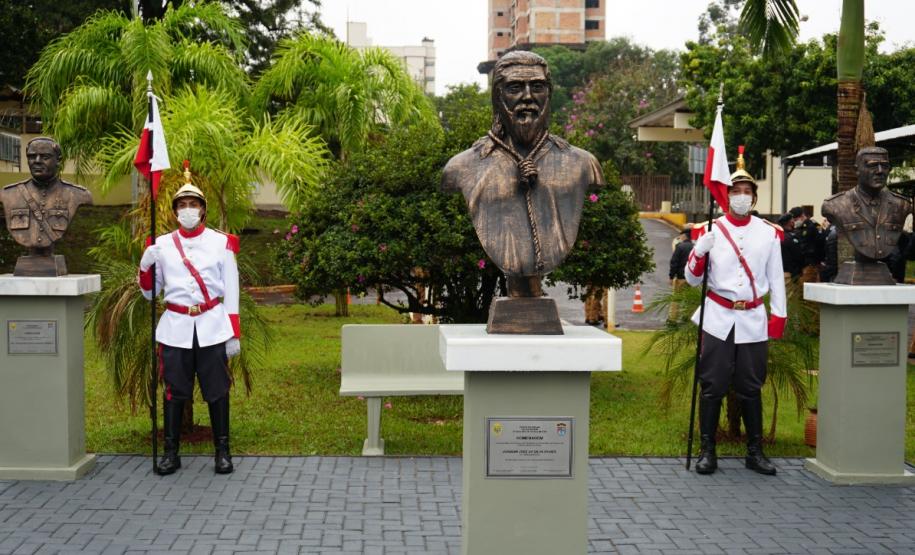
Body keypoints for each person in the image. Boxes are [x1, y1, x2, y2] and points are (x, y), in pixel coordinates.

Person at [685, 149, 787, 476]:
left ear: (754, 198)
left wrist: (778, 318)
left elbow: (776, 279)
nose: (741, 197)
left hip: (753, 318)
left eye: (747, 192)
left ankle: (754, 452)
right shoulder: (710, 230)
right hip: (718, 317)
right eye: (736, 191)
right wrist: (699, 251)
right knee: (712, 384)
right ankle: (707, 450)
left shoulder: (769, 234)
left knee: (751, 385)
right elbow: (692, 280)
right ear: (725, 195)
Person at [138, 174, 241, 475]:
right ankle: (171, 453)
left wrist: (233, 333)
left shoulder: (221, 243)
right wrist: (145, 265)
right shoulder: (162, 245)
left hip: (211, 325)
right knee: (174, 391)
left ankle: (222, 451)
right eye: (181, 205)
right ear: (174, 211)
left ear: (203, 209)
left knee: (217, 390)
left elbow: (231, 290)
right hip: (175, 326)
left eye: (192, 204)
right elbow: (149, 293)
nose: (187, 209)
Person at [0, 137, 92, 274]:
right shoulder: (8, 195)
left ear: (58, 160)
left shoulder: (78, 195)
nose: (37, 161)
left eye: (45, 157)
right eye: (32, 156)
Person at [821, 147, 911, 284]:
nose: (880, 171)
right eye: (872, 165)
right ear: (857, 170)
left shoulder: (902, 205)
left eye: (885, 166)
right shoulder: (836, 205)